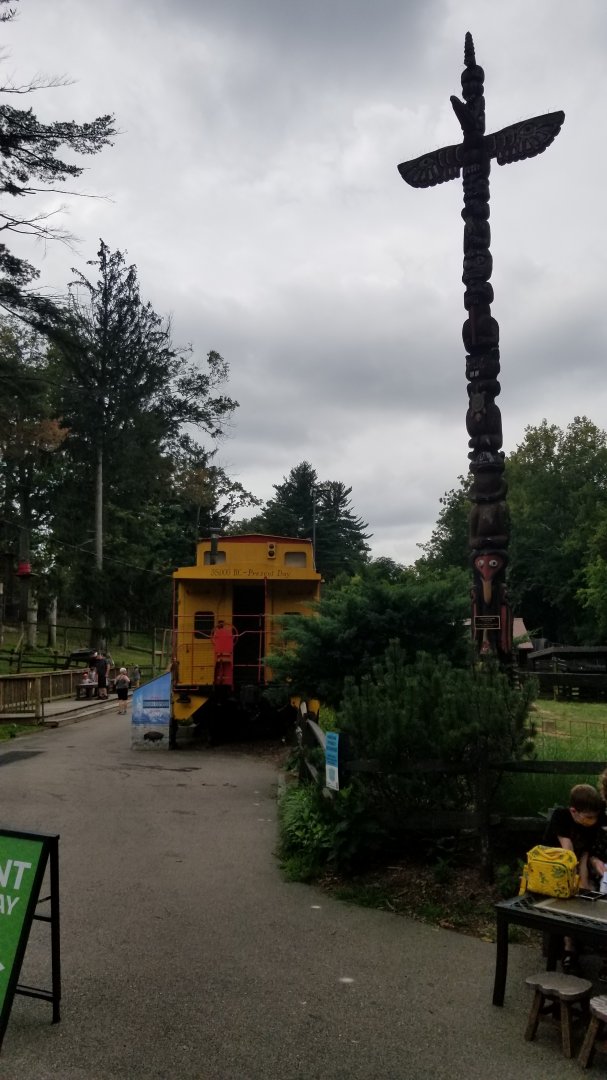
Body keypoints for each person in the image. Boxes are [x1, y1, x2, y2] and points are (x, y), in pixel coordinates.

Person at [543, 783, 603, 973]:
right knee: (568, 901)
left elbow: (584, 856)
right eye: (589, 817)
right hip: (553, 870)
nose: (593, 821)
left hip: (575, 867)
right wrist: (576, 887)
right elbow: (568, 853)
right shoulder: (561, 817)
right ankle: (569, 950)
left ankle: (583, 943)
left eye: (595, 817)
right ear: (574, 812)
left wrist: (584, 888)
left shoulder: (590, 825)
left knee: (588, 894)